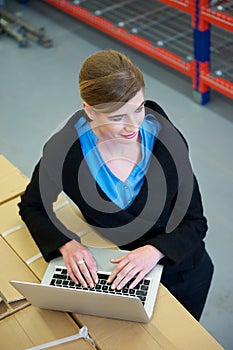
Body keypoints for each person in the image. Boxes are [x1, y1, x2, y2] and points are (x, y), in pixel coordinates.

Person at [18, 49, 213, 321]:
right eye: (117, 117)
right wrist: (66, 245)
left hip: (181, 272)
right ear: (89, 110)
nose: (133, 126)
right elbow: (32, 206)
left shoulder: (168, 142)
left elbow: (195, 222)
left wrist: (154, 251)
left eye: (138, 109)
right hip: (116, 279)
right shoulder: (65, 153)